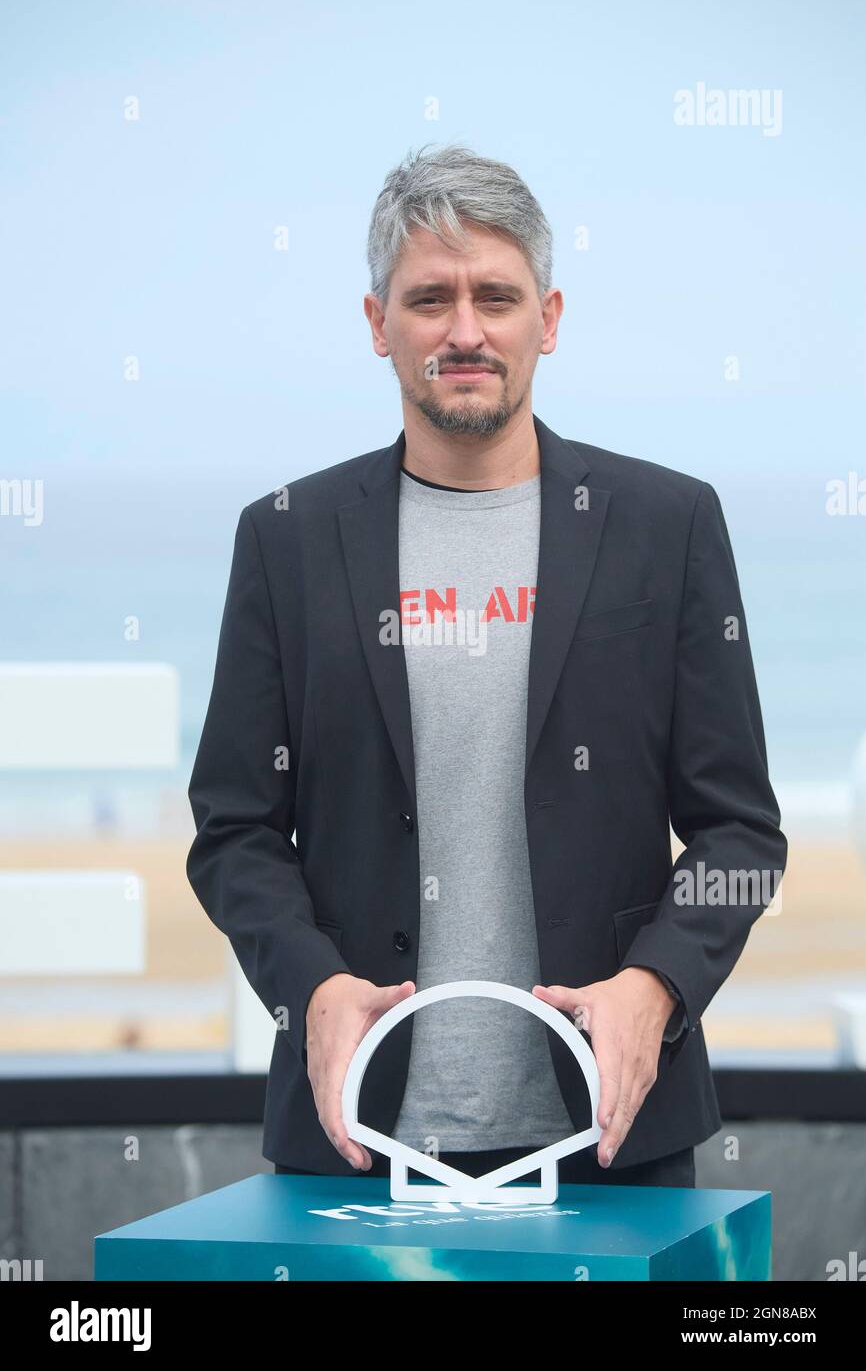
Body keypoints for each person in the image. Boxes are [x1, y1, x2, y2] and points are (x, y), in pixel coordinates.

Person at [186, 144, 786, 1189]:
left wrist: (655, 984)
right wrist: (312, 990)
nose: (464, 330)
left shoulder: (666, 525)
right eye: (429, 298)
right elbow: (234, 828)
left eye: (494, 296)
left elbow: (739, 830)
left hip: (609, 1139)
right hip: (352, 1147)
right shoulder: (286, 537)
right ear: (378, 326)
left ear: (546, 319)